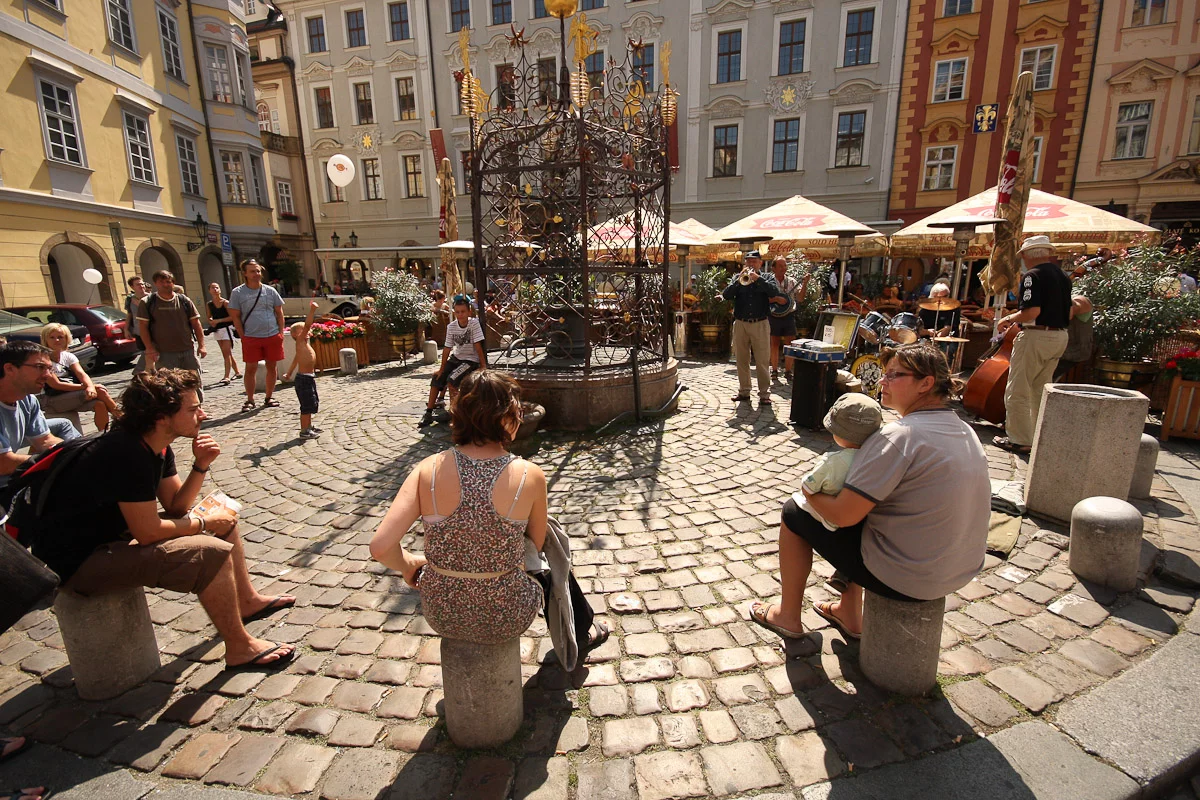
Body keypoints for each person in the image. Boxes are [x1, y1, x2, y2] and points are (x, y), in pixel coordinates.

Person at [28, 369, 297, 670]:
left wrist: (201, 465)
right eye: (193, 409)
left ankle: (247, 601)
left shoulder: (155, 445)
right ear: (161, 418)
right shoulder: (127, 453)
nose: (203, 415)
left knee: (222, 518)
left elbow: (176, 505)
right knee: (209, 552)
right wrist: (204, 525)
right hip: (78, 564)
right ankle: (240, 648)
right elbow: (147, 531)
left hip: (112, 539)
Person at [750, 343, 990, 641]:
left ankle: (787, 615)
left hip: (911, 577)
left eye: (894, 375)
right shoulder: (964, 429)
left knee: (793, 512)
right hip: (960, 569)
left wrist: (809, 492)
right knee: (866, 512)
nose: (882, 381)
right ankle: (849, 612)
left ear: (925, 383)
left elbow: (843, 515)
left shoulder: (900, 436)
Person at [370, 370, 607, 652]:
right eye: (517, 411)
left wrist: (410, 563)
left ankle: (582, 626)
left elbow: (381, 547)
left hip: (442, 613)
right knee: (551, 541)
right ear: (506, 417)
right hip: (509, 614)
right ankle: (580, 629)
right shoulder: (529, 474)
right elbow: (535, 545)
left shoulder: (427, 469)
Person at [993, 235, 1072, 454]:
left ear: (1027, 255)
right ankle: (1037, 436)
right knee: (1040, 389)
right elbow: (1069, 311)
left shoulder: (1032, 276)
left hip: (1036, 336)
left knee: (1018, 389)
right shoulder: (1063, 276)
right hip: (1059, 336)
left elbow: (1032, 312)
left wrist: (1007, 318)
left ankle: (1019, 439)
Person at [0, 342, 78, 492]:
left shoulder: (28, 400)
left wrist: (78, 451)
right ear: (10, 368)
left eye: (49, 368)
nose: (48, 375)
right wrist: (59, 460)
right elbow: (3, 463)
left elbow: (45, 440)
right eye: (40, 367)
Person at [723, 251, 786, 406]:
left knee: (762, 360)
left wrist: (758, 279)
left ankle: (764, 394)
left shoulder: (767, 277)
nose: (751, 264)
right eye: (748, 261)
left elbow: (774, 292)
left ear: (760, 263)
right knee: (741, 359)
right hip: (741, 323)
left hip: (760, 323)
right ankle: (744, 391)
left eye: (754, 261)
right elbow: (727, 295)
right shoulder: (738, 278)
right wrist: (739, 280)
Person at [227, 259, 286, 413]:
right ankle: (250, 399)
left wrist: (280, 333)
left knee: (272, 367)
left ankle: (269, 397)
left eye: (258, 271)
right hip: (251, 337)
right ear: (245, 273)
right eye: (252, 271)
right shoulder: (238, 293)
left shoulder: (270, 291)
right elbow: (235, 317)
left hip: (272, 335)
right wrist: (243, 336)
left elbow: (279, 313)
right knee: (250, 368)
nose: (256, 274)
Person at [418, 295, 486, 428]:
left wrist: (483, 365)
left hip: (470, 360)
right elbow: (447, 348)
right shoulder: (451, 327)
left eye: (463, 312)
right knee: (437, 378)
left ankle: (455, 413)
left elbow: (478, 345)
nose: (460, 315)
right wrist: (441, 368)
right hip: (456, 358)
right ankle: (428, 412)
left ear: (469, 312)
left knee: (452, 380)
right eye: (457, 312)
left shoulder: (474, 323)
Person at [37, 323, 120, 431]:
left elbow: (81, 374)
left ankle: (103, 433)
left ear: (66, 339)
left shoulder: (68, 356)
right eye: (52, 337)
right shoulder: (43, 359)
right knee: (100, 391)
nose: (56, 340)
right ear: (45, 339)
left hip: (70, 395)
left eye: (60, 337)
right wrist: (87, 387)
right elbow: (56, 385)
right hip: (51, 399)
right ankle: (121, 417)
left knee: (99, 404)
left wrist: (90, 386)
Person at [137, 271, 207, 398]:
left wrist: (202, 345)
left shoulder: (184, 300)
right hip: (164, 353)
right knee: (170, 386)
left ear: (173, 283)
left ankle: (198, 406)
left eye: (168, 282)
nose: (165, 284)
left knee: (194, 382)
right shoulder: (148, 302)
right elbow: (143, 327)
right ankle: (177, 408)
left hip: (187, 349)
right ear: (155, 283)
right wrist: (149, 348)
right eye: (161, 282)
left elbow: (196, 324)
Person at [281, 302, 321, 440]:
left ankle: (309, 426)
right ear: (297, 335)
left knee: (311, 403)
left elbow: (295, 360)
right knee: (306, 405)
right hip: (304, 379)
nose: (307, 331)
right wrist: (312, 310)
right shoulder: (300, 342)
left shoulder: (303, 346)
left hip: (308, 378)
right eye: (303, 330)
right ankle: (304, 431)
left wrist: (289, 373)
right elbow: (308, 324)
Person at [767, 256, 808, 382]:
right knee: (774, 343)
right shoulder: (769, 281)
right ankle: (774, 370)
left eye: (785, 265)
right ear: (773, 268)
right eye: (780, 266)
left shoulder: (791, 281)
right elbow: (763, 299)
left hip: (789, 315)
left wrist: (805, 284)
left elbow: (800, 298)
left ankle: (788, 371)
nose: (783, 268)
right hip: (774, 315)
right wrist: (776, 299)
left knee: (790, 344)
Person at [206, 283, 243, 387]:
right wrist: (211, 322)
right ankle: (237, 372)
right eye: (212, 288)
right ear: (209, 290)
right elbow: (208, 317)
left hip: (227, 329)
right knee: (226, 353)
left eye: (217, 287)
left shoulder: (225, 303)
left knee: (226, 353)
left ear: (220, 290)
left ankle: (226, 376)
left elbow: (233, 317)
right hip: (217, 330)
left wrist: (219, 320)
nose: (215, 289)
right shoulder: (209, 304)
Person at [125, 276, 150, 373]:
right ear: (132, 287)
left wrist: (141, 304)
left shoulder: (151, 297)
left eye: (142, 284)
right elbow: (129, 315)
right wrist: (126, 329)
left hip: (151, 330)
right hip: (138, 331)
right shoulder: (130, 299)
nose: (141, 286)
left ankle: (140, 371)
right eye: (138, 284)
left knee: (149, 352)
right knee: (145, 351)